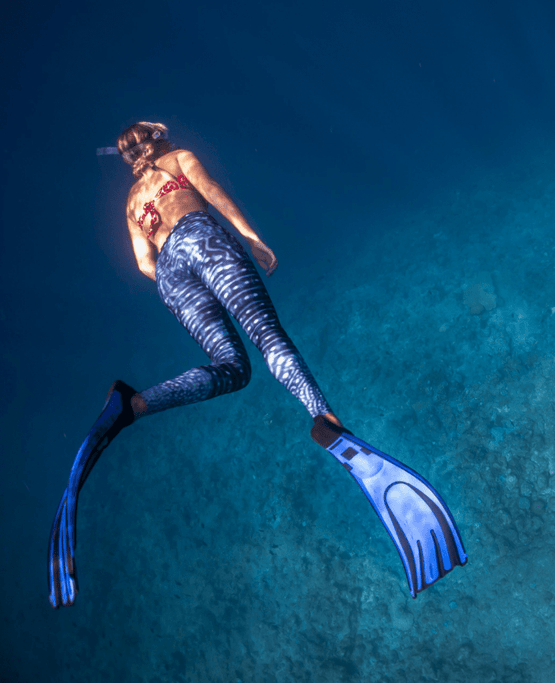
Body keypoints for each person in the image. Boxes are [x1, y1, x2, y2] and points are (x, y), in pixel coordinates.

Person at [48, 122, 466, 608]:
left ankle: (134, 404)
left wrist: (173, 259)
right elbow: (212, 194)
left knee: (230, 367)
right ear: (155, 139)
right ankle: (324, 416)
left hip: (169, 275)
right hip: (200, 237)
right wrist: (249, 237)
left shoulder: (129, 204)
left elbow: (144, 263)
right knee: (266, 336)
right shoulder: (178, 159)